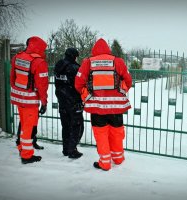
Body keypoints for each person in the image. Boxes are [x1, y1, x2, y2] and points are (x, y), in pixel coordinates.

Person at [75, 38, 132, 171]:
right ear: (108, 49)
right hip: (116, 107)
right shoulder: (118, 61)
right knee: (117, 132)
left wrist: (86, 94)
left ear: (94, 50)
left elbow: (78, 83)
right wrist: (121, 90)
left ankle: (105, 162)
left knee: (101, 134)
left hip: (97, 107)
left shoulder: (88, 62)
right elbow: (128, 80)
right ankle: (118, 158)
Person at [10, 36, 49, 164]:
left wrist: (17, 92)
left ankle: (21, 148)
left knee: (23, 124)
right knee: (28, 128)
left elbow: (12, 78)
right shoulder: (39, 62)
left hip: (18, 98)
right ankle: (26, 156)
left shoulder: (17, 57)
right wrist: (44, 102)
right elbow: (42, 86)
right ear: (39, 48)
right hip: (30, 101)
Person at [54, 48, 84, 159]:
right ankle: (72, 150)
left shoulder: (59, 65)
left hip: (62, 100)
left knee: (65, 126)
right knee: (77, 126)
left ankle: (66, 149)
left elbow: (58, 83)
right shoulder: (75, 68)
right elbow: (80, 85)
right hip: (74, 101)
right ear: (73, 56)